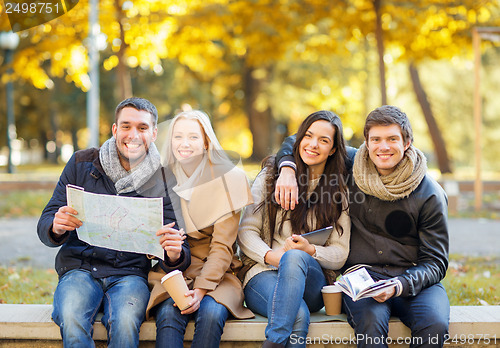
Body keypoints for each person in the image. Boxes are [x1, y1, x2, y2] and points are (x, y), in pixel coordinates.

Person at [275, 105, 450, 348]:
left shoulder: (429, 193)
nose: (383, 147)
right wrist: (287, 168)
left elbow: (436, 261)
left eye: (392, 139)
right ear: (366, 143)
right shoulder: (354, 165)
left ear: (407, 142)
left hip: (414, 279)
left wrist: (400, 285)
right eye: (376, 139)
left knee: (435, 324)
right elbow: (299, 140)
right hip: (362, 278)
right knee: (369, 322)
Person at [37, 97, 190, 348]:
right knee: (71, 316)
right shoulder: (81, 163)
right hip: (80, 268)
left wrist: (173, 253)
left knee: (126, 321)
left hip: (130, 274)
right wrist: (56, 225)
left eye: (142, 128)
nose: (133, 135)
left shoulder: (165, 178)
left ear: (153, 133)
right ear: (115, 129)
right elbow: (46, 221)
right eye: (126, 126)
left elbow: (181, 251)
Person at [237, 110, 351, 348]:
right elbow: (246, 233)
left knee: (296, 255)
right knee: (298, 316)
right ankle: (276, 342)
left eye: (323, 140)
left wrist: (311, 251)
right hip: (262, 273)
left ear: (332, 149)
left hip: (310, 279)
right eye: (308, 136)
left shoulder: (339, 190)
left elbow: (340, 253)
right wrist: (273, 256)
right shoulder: (271, 176)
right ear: (298, 140)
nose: (312, 144)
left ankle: (273, 343)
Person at [146, 110, 254, 348]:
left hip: (217, 272)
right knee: (168, 315)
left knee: (212, 314)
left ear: (206, 142)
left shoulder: (229, 179)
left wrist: (202, 289)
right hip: (172, 272)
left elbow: (223, 246)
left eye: (193, 137)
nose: (184, 144)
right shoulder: (158, 179)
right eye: (178, 137)